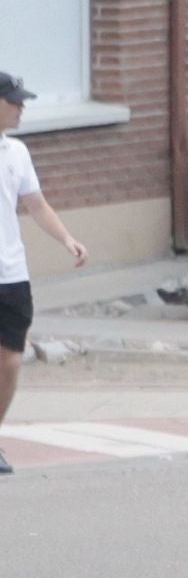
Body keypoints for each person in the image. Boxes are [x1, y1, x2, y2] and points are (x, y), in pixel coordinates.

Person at [0, 71, 89, 476]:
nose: (22, 108)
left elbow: (35, 205)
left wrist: (66, 238)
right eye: (14, 101)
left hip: (11, 273)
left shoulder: (16, 152)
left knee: (11, 362)